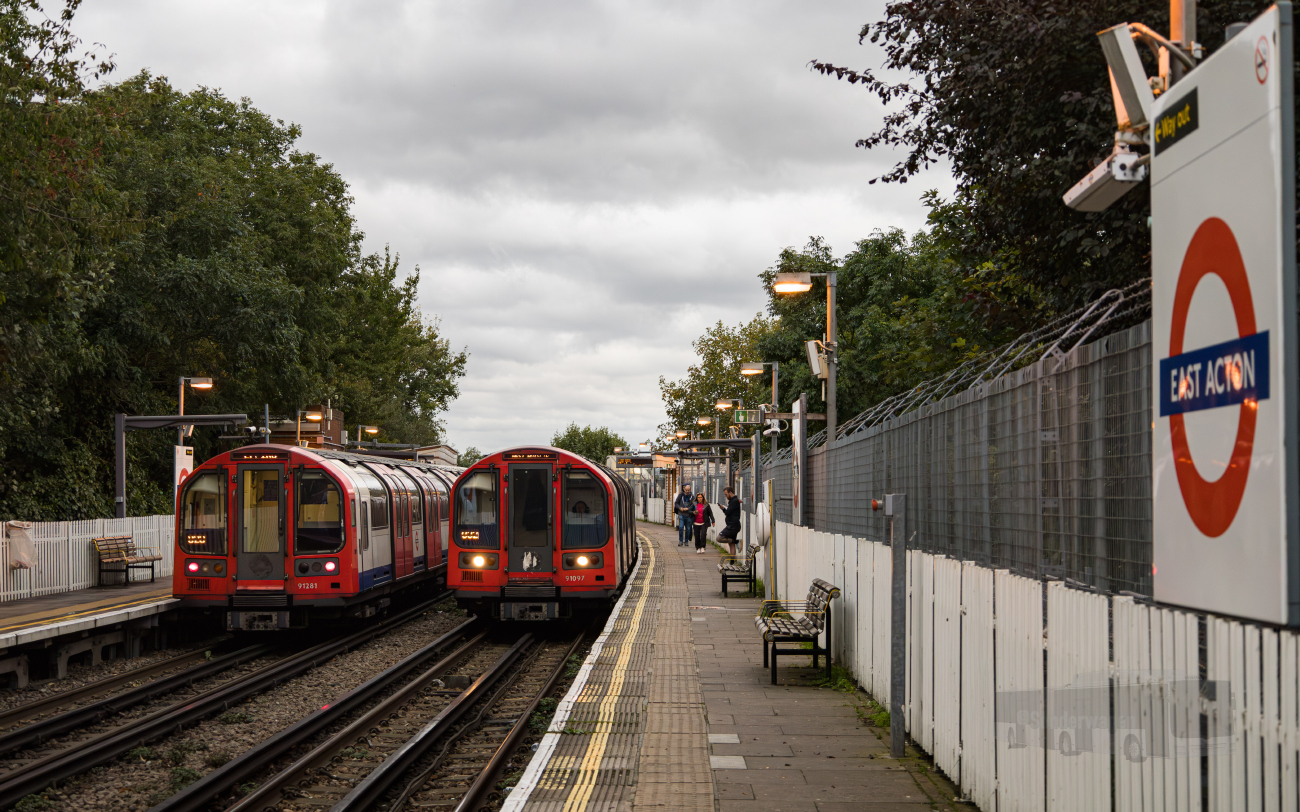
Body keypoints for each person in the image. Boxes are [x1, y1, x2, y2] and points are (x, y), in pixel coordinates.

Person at [717, 486, 741, 556]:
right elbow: (728, 512)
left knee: (719, 538)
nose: (725, 496)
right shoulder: (733, 501)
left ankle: (737, 541)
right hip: (734, 525)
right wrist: (723, 508)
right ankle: (732, 562)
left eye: (726, 494)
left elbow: (727, 513)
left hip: (732, 526)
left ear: (730, 493)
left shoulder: (734, 501)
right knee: (731, 544)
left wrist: (724, 509)